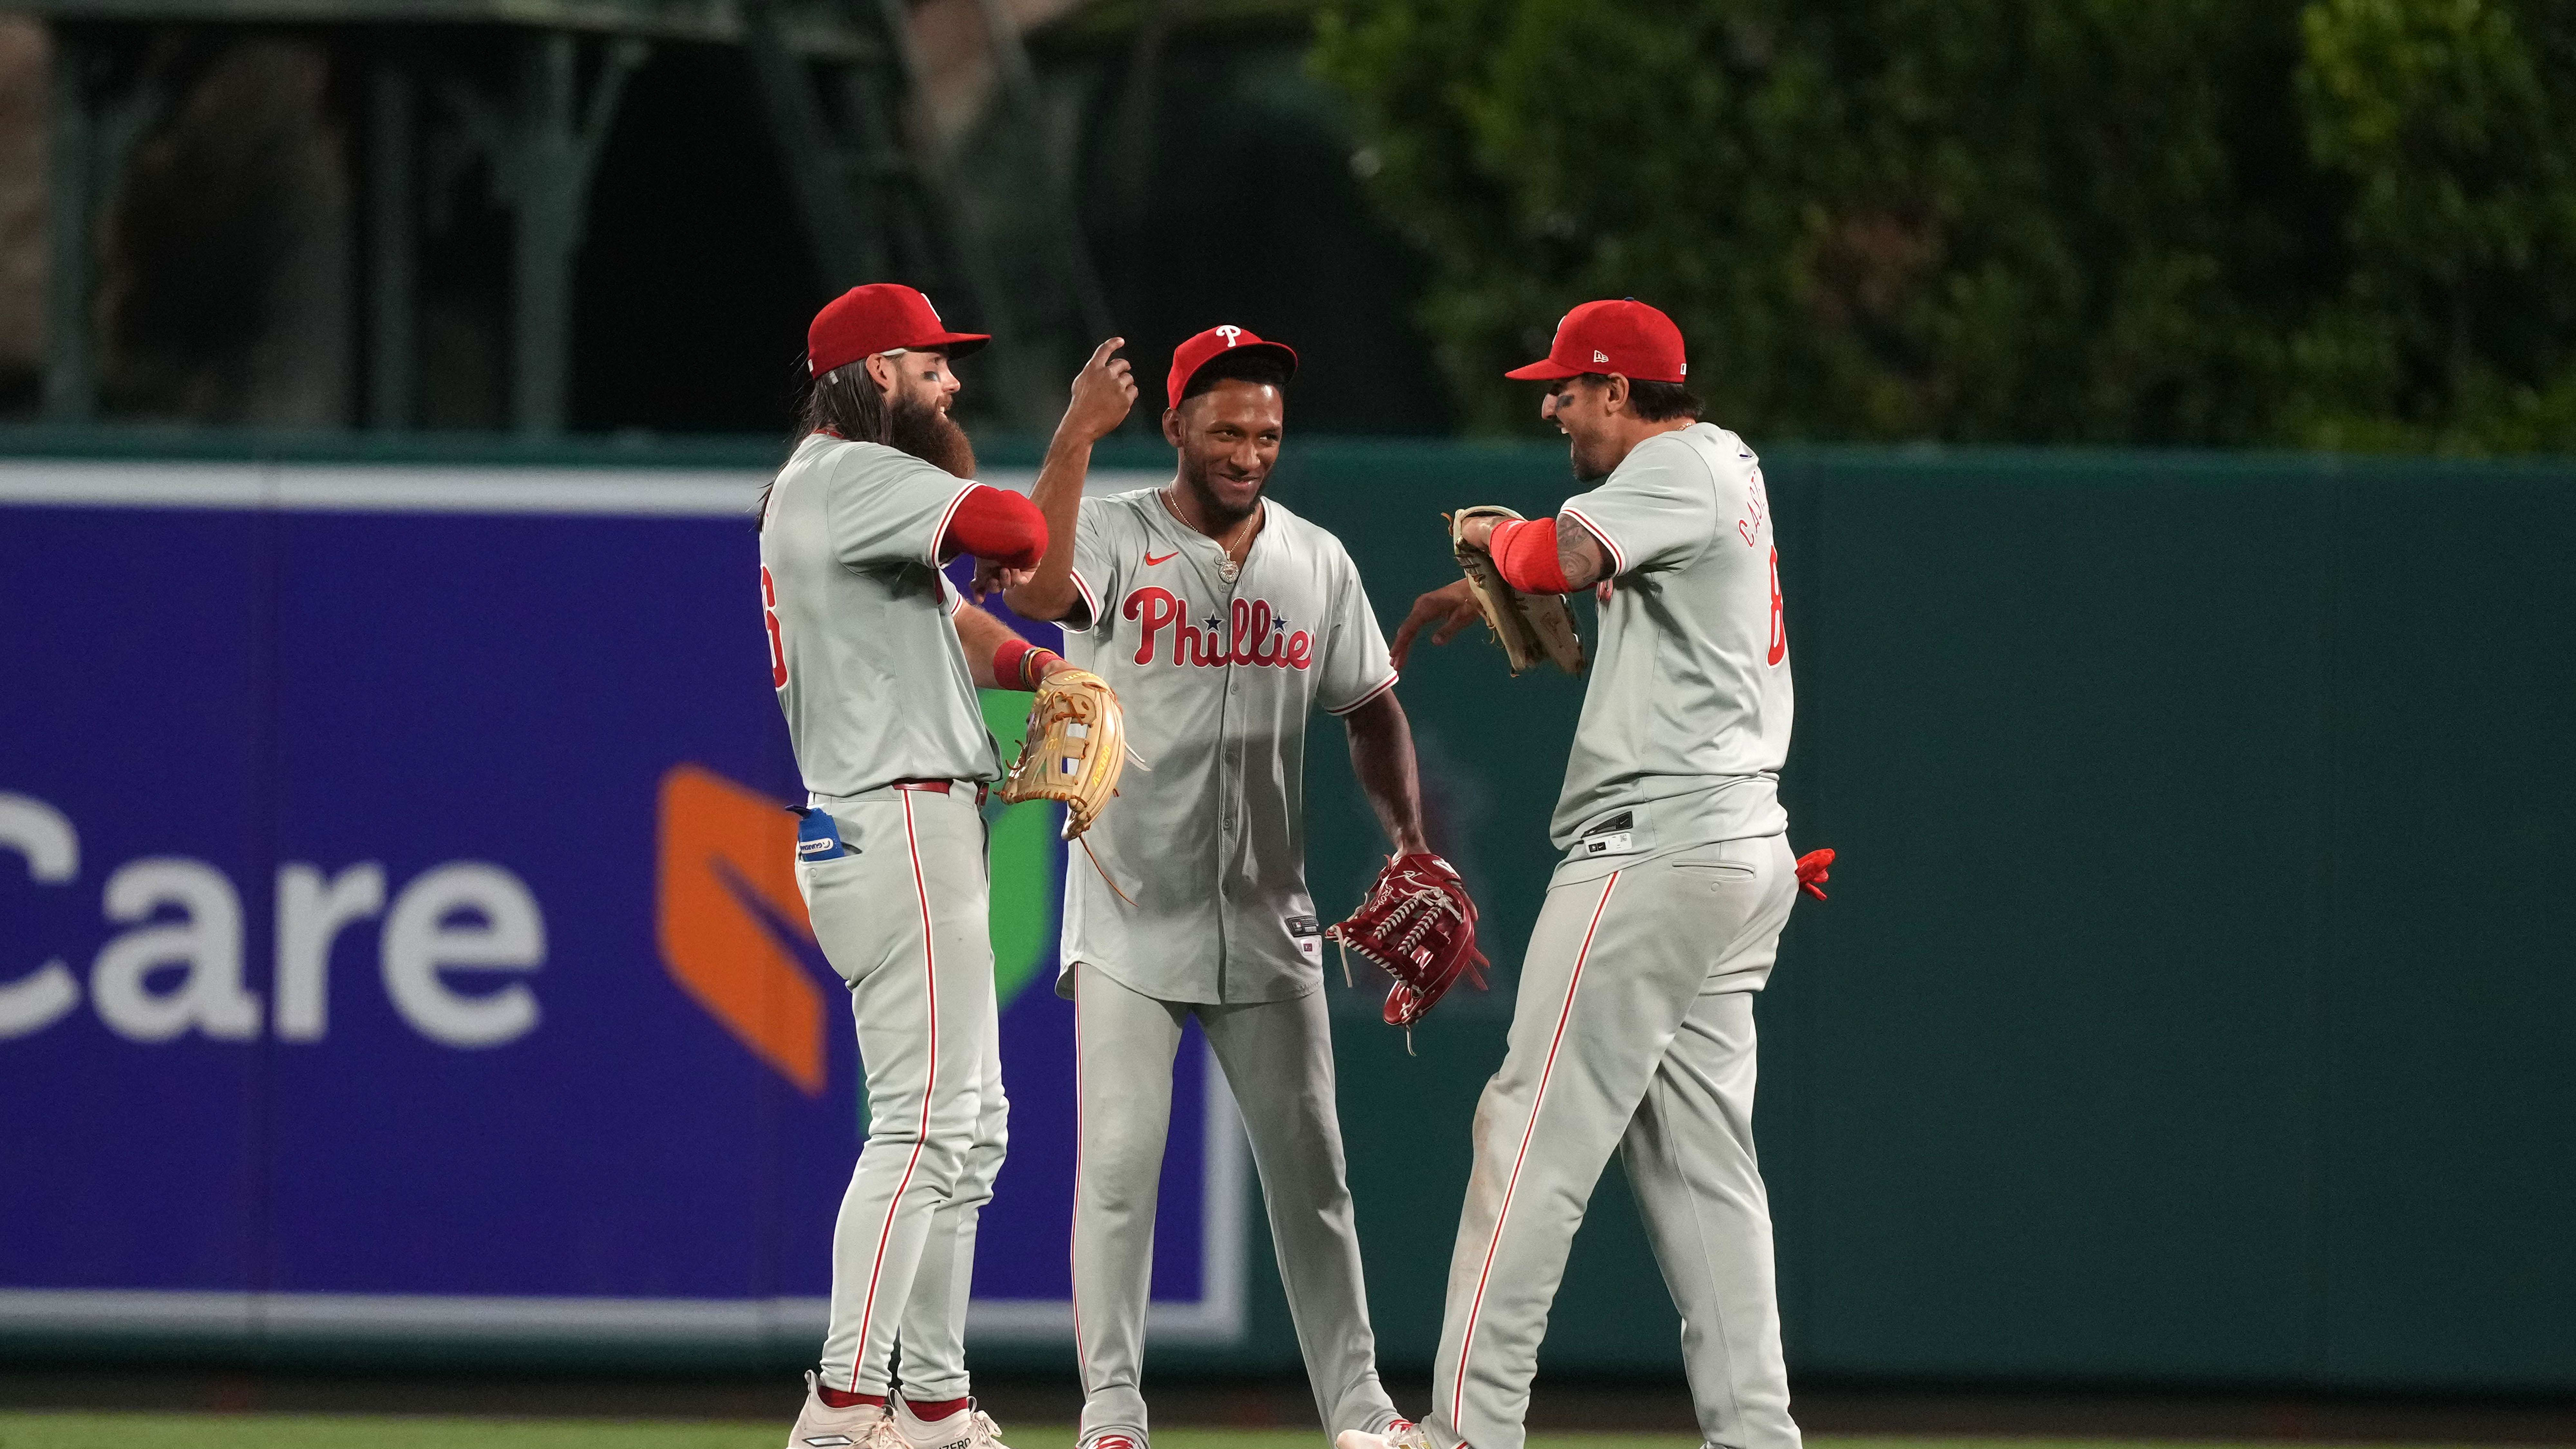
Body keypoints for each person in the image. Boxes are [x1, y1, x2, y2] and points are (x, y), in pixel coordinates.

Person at [1344, 299, 1808, 1449]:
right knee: (1705, 1171)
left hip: (1654, 854)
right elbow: (1594, 576)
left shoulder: (1672, 469)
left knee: (1526, 1133)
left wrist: (1499, 549)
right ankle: (1756, 1436)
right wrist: (1497, 584)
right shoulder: (1718, 469)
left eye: (1565, 387)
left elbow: (1561, 547)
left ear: (1618, 391)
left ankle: (1466, 1431)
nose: (1551, 405)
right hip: (1733, 844)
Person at [1004, 326, 1430, 1449]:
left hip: (1267, 920)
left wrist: (1407, 839)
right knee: (1116, 1171)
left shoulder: (1315, 558)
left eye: (1268, 433)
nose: (1249, 450)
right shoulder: (1107, 529)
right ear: (1177, 425)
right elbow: (1037, 584)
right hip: (1129, 907)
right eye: (1228, 428)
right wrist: (1071, 437)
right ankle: (1111, 1415)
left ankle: (1360, 1412)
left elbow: (1372, 705)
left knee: (1315, 1178)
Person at [760, 282, 1136, 1449]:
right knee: (924, 1125)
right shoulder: (852, 472)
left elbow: (948, 614)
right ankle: (843, 1404)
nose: (950, 383)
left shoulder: (835, 489)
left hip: (900, 822)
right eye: (932, 365)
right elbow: (1017, 539)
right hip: (897, 823)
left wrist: (1036, 670)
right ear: (877, 373)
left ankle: (927, 1401)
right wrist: (1072, 438)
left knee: (971, 1128)